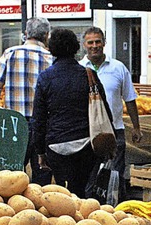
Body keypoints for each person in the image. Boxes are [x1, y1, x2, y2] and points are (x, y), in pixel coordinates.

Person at [33, 28, 109, 197]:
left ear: (51, 48)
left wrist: (40, 152)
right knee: (81, 191)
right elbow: (104, 110)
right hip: (85, 144)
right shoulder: (89, 74)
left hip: (56, 145)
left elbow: (38, 119)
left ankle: (66, 220)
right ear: (76, 47)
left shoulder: (45, 77)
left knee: (63, 193)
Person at [79, 26, 143, 201]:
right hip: (89, 133)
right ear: (84, 45)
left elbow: (129, 99)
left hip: (115, 131)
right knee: (91, 177)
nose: (94, 46)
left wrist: (136, 128)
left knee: (115, 176)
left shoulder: (118, 67)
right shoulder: (79, 69)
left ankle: (116, 210)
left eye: (98, 42)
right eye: (90, 42)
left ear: (104, 43)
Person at [0, 17, 53, 185]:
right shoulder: (51, 58)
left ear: (26, 34)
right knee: (42, 174)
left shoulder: (11, 53)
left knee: (12, 175)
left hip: (13, 123)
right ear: (47, 35)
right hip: (43, 125)